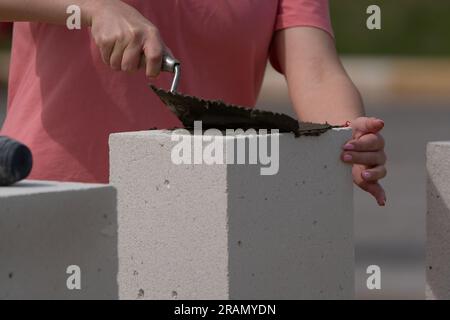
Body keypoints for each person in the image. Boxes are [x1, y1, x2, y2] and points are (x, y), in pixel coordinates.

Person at [0, 0, 386, 206]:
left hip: (201, 209)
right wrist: (94, 8)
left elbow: (316, 71)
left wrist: (348, 137)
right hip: (51, 197)